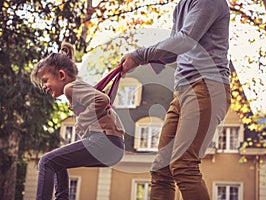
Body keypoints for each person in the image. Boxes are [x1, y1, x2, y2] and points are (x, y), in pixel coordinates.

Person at [120, 0, 231, 199]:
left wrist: (139, 55)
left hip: (207, 85)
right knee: (161, 170)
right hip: (182, 91)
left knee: (183, 165)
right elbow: (174, 51)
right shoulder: (182, 5)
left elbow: (184, 40)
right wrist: (141, 60)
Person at [31, 42, 125, 200]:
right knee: (57, 162)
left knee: (46, 162)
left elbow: (102, 99)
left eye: (45, 80)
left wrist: (82, 120)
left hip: (105, 141)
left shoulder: (71, 88)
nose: (44, 86)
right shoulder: (76, 89)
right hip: (113, 147)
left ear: (61, 75)